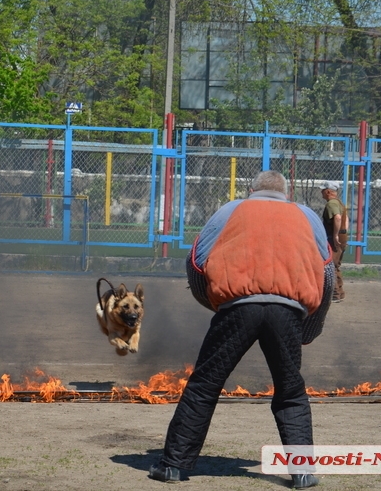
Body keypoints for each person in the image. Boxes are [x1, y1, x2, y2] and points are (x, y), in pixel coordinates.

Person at [149, 171, 333, 490]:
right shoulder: (306, 215)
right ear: (287, 194)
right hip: (288, 311)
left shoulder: (230, 209)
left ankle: (173, 467)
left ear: (252, 191)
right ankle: (302, 473)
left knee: (204, 385)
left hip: (238, 306)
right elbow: (326, 274)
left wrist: (216, 304)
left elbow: (196, 263)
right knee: (290, 391)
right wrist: (310, 327)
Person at [319, 180, 348, 303]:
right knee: (336, 265)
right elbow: (345, 219)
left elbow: (337, 217)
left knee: (331, 265)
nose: (321, 193)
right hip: (343, 237)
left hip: (334, 238)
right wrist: (343, 232)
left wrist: (336, 235)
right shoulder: (340, 203)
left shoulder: (331, 204)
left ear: (328, 191)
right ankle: (340, 293)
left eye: (323, 190)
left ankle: (335, 294)